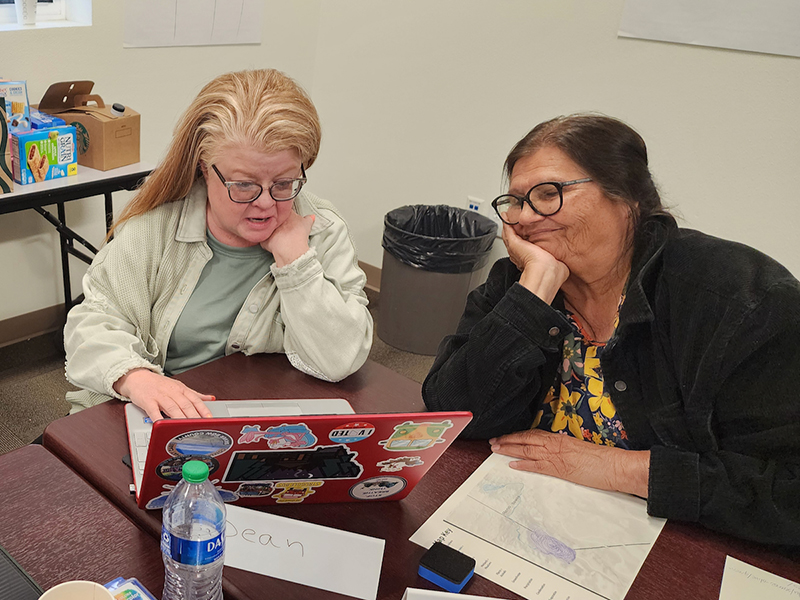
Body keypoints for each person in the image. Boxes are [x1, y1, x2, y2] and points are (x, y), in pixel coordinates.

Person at [422, 113, 800, 546]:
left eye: (548, 194)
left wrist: (621, 469)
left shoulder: (741, 300)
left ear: (627, 199)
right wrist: (534, 294)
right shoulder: (519, 280)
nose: (522, 219)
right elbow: (451, 413)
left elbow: (787, 492)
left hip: (675, 546)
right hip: (533, 521)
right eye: (515, 202)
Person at [64, 69, 373, 422]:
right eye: (244, 185)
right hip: (149, 411)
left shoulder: (323, 230)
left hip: (258, 411)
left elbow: (340, 361)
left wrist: (296, 263)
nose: (266, 204)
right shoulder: (152, 231)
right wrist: (136, 377)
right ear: (203, 168)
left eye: (284, 182)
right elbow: (90, 326)